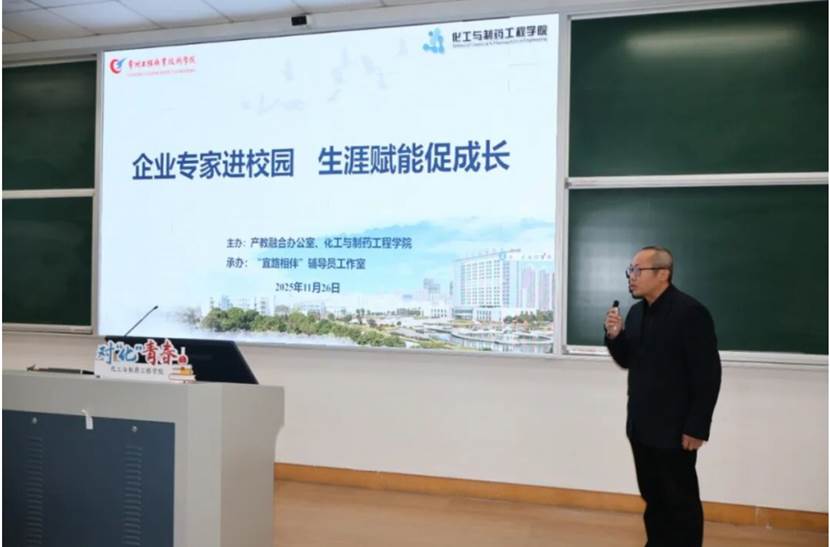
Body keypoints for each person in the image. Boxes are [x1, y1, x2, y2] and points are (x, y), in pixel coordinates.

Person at [604, 246, 721, 547]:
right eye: (630, 270)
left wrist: (697, 426)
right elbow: (627, 359)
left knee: (680, 502)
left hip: (675, 430)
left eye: (637, 270)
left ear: (662, 274)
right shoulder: (637, 312)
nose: (631, 277)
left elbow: (707, 375)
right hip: (641, 426)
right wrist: (615, 336)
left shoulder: (690, 313)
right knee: (654, 498)